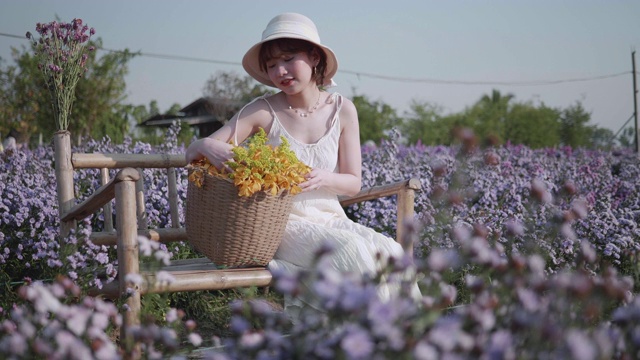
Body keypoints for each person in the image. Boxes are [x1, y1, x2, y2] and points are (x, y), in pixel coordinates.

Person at [185, 12, 420, 320]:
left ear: (313, 57)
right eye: (271, 65)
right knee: (353, 253)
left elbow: (353, 182)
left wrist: (324, 177)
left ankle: (407, 339)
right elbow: (192, 153)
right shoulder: (262, 110)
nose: (279, 71)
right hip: (280, 223)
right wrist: (205, 145)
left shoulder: (343, 110)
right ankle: (366, 340)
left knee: (390, 251)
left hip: (329, 217)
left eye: (288, 58)